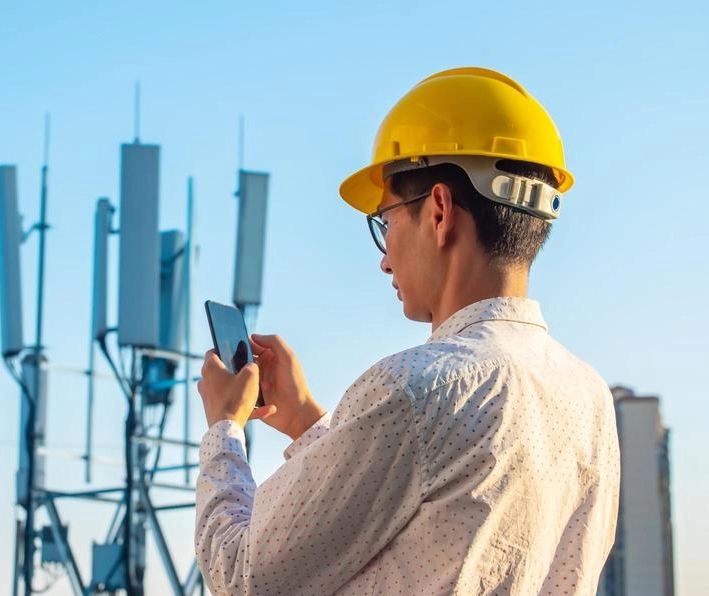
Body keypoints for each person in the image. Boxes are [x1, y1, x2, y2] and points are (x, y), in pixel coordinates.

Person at [194, 67, 621, 595]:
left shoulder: (415, 389)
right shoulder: (589, 399)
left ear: (439, 211)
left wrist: (223, 430)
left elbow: (242, 575)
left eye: (386, 220)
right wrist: (306, 420)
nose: (385, 261)